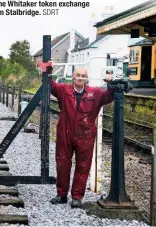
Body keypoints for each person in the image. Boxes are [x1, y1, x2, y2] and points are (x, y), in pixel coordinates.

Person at [48, 66, 114, 208]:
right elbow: (50, 85)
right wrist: (47, 70)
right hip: (65, 132)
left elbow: (108, 96)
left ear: (86, 78)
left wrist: (110, 84)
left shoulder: (95, 93)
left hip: (86, 135)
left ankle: (77, 197)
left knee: (83, 166)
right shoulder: (63, 89)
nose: (80, 77)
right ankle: (61, 194)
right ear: (72, 77)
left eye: (83, 76)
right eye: (77, 75)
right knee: (63, 163)